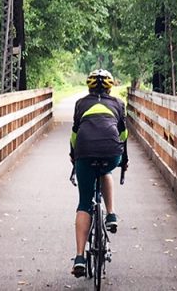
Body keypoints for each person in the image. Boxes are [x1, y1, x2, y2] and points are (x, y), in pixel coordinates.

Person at [69, 68, 128, 278]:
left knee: (85, 203)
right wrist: (123, 160)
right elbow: (123, 135)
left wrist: (73, 157)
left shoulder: (81, 104)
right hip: (111, 152)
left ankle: (79, 258)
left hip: (84, 153)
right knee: (106, 170)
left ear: (89, 86)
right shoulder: (118, 104)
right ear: (110, 87)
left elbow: (75, 135)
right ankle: (111, 214)